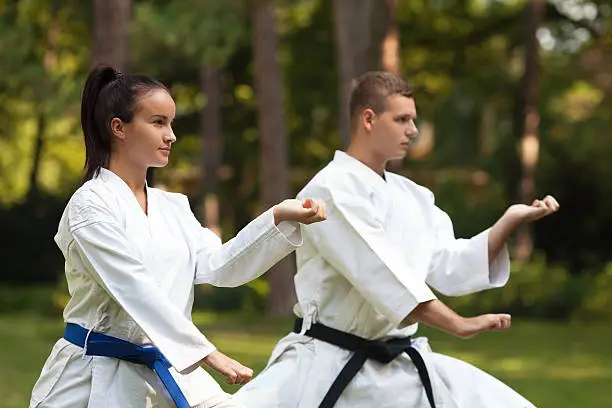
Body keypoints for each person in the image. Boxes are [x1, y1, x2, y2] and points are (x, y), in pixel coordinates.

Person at [233, 71, 560, 408]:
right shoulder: (329, 190)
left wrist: (507, 222)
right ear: (369, 119)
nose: (413, 130)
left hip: (400, 367)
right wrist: (458, 324)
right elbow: (381, 275)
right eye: (402, 119)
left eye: (413, 120)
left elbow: (451, 264)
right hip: (329, 367)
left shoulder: (414, 197)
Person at [29, 64, 327, 408]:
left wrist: (276, 218)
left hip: (168, 372)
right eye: (158, 122)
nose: (171, 135)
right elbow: (132, 286)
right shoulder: (90, 205)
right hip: (93, 380)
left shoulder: (172, 206)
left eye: (171, 123)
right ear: (118, 128)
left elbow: (220, 266)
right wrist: (207, 353)